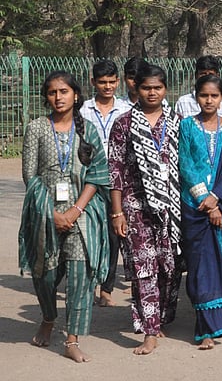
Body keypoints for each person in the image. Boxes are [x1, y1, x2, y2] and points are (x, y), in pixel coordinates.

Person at [20, 71, 110, 362]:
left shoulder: (88, 131)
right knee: (43, 274)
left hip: (82, 212)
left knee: (80, 275)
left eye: (63, 91)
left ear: (76, 95)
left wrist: (75, 210)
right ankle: (48, 317)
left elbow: (97, 175)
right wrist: (53, 213)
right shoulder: (36, 128)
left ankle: (71, 338)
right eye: (51, 92)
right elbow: (30, 177)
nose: (58, 97)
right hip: (44, 211)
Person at [108, 63, 181, 355]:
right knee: (142, 267)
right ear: (135, 89)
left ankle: (161, 317)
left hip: (171, 208)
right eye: (146, 88)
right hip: (135, 206)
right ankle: (148, 329)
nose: (152, 93)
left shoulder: (177, 121)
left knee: (170, 266)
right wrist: (117, 212)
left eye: (158, 88)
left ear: (165, 89)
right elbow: (115, 170)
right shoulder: (124, 123)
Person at [177, 74, 222, 349]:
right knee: (201, 268)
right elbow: (185, 165)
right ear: (196, 97)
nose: (209, 100)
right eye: (204, 95)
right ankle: (205, 330)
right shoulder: (187, 126)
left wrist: (216, 198)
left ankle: (216, 319)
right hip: (195, 207)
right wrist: (204, 198)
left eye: (214, 96)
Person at [80, 59, 130, 308]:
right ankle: (87, 283)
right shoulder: (83, 110)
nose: (107, 87)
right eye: (102, 82)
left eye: (111, 82)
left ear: (118, 82)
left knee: (113, 235)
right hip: (90, 178)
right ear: (93, 83)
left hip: (117, 180)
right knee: (89, 232)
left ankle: (107, 288)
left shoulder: (125, 110)